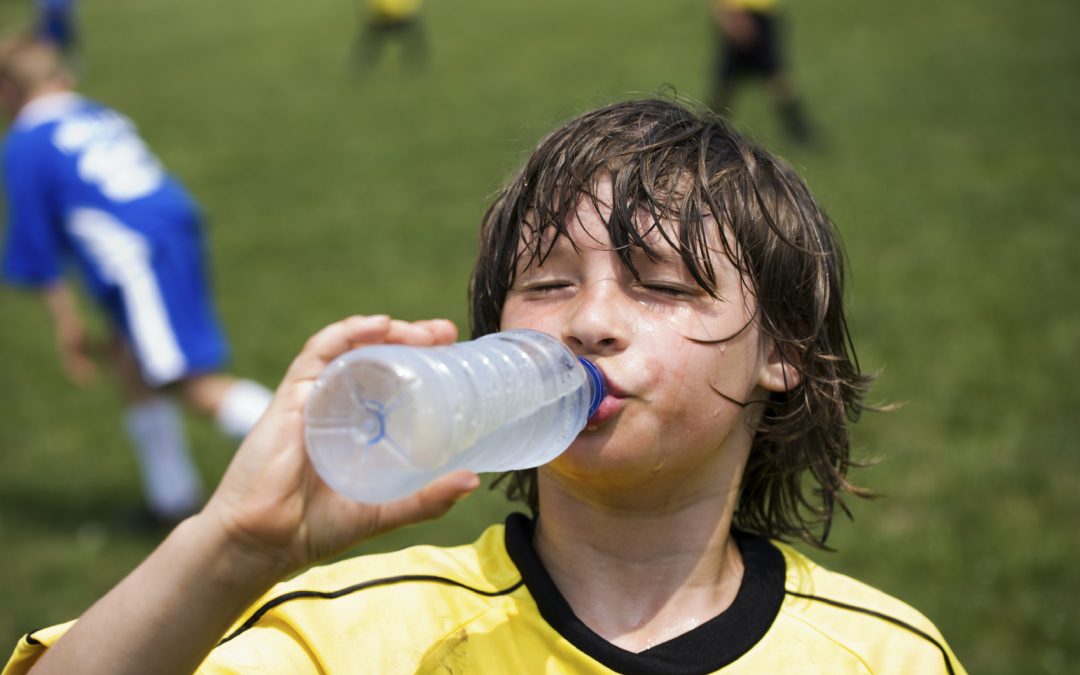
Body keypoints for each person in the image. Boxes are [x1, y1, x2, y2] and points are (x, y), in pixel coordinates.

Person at [3, 98, 966, 674]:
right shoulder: (363, 636)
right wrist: (231, 547)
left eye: (663, 284)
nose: (589, 320)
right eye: (546, 283)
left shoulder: (884, 654)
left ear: (781, 352)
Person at [0, 34, 273, 524]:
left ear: (6, 90)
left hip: (138, 255)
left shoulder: (26, 143)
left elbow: (38, 246)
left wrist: (66, 325)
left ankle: (326, 448)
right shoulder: (94, 112)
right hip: (171, 229)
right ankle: (172, 498)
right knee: (132, 360)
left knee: (184, 380)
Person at [709, 0, 816, 145]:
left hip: (762, 14)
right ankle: (708, 129)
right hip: (743, 16)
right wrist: (732, 17)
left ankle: (797, 129)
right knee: (729, 81)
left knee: (772, 78)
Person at [352, 0, 430, 73]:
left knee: (415, 43)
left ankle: (417, 63)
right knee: (369, 45)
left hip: (394, 17)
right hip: (387, 17)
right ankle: (360, 65)